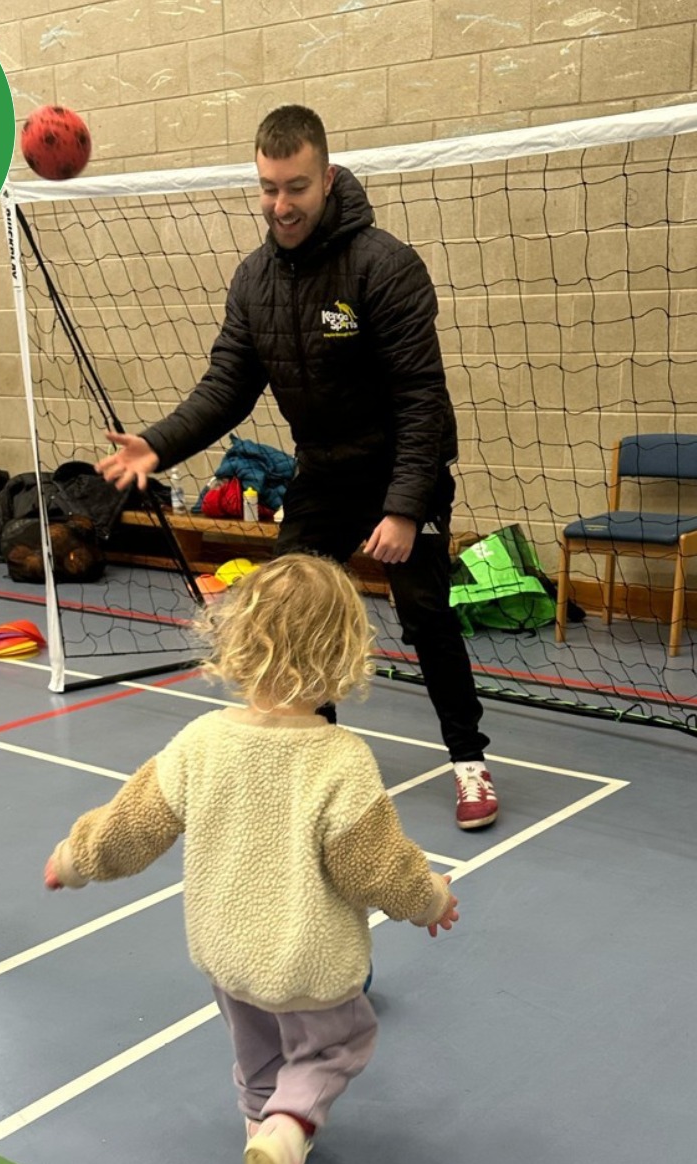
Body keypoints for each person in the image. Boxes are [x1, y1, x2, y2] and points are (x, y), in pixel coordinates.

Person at [96, 103, 497, 830]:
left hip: (406, 471)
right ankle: (319, 762)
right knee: (291, 615)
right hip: (323, 474)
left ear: (328, 178)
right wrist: (157, 445)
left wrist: (405, 508)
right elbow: (226, 385)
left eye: (296, 188)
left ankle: (468, 761)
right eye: (268, 187)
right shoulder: (255, 280)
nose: (280, 205)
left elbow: (421, 399)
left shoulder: (386, 266)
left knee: (427, 617)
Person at [44, 554, 459, 1164]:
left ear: (235, 637)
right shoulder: (339, 758)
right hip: (309, 958)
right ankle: (287, 1133)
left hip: (226, 952)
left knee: (257, 1053)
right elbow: (376, 867)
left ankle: (260, 1132)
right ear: (345, 653)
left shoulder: (200, 740)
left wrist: (75, 857)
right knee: (335, 1046)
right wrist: (431, 899)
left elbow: (133, 826)